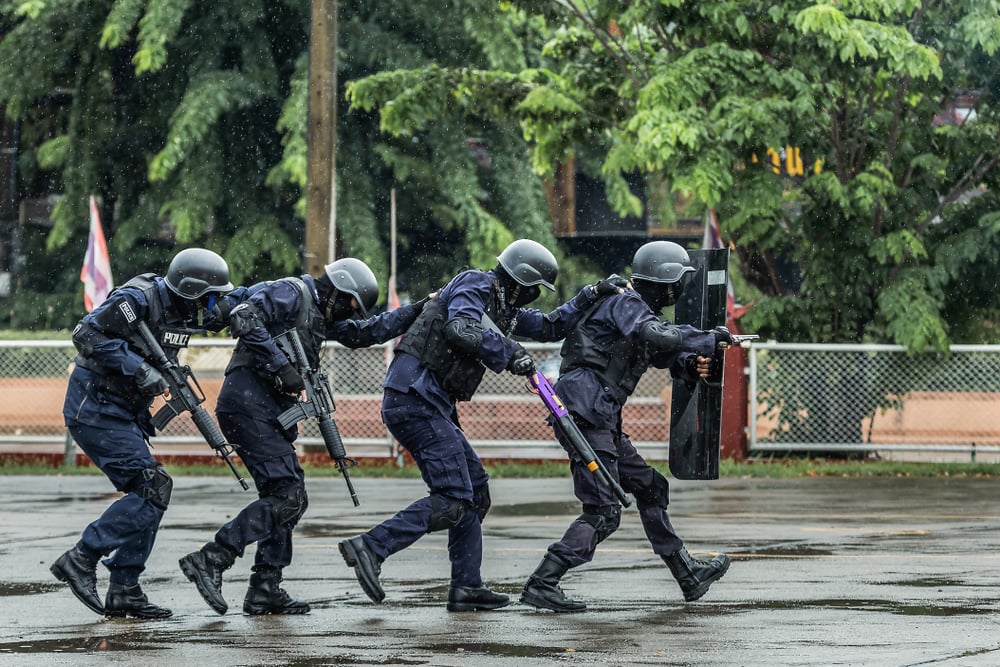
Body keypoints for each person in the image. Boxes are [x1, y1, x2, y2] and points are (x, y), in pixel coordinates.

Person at [338, 239, 626, 612]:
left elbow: (551, 327)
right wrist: (510, 354)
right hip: (413, 397)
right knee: (455, 497)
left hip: (431, 403)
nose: (534, 297)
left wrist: (592, 294)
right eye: (534, 289)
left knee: (475, 492)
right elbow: (461, 327)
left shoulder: (503, 310)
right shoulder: (475, 284)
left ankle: (466, 587)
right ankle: (371, 547)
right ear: (520, 281)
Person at [178, 258, 429, 616]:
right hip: (247, 405)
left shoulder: (322, 314)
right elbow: (245, 317)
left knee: (289, 495)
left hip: (266, 410)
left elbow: (366, 333)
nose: (348, 312)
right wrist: (280, 365)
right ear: (338, 289)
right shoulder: (292, 292)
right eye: (349, 303)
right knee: (288, 495)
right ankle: (213, 558)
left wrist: (416, 310)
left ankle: (265, 587)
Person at [519, 240, 735, 613]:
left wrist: (690, 364)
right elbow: (658, 336)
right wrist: (707, 337)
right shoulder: (626, 303)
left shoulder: (637, 312)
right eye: (678, 281)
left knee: (651, 488)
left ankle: (687, 575)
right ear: (667, 282)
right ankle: (543, 582)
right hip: (585, 412)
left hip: (599, 415)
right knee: (603, 512)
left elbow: (662, 351)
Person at [52, 248, 235, 619]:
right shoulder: (137, 299)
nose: (213, 305)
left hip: (126, 412)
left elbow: (237, 302)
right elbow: (85, 334)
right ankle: (82, 557)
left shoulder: (187, 310)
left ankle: (124, 588)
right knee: (152, 487)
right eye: (210, 297)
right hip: (96, 408)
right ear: (190, 290)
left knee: (154, 488)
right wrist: (138, 368)